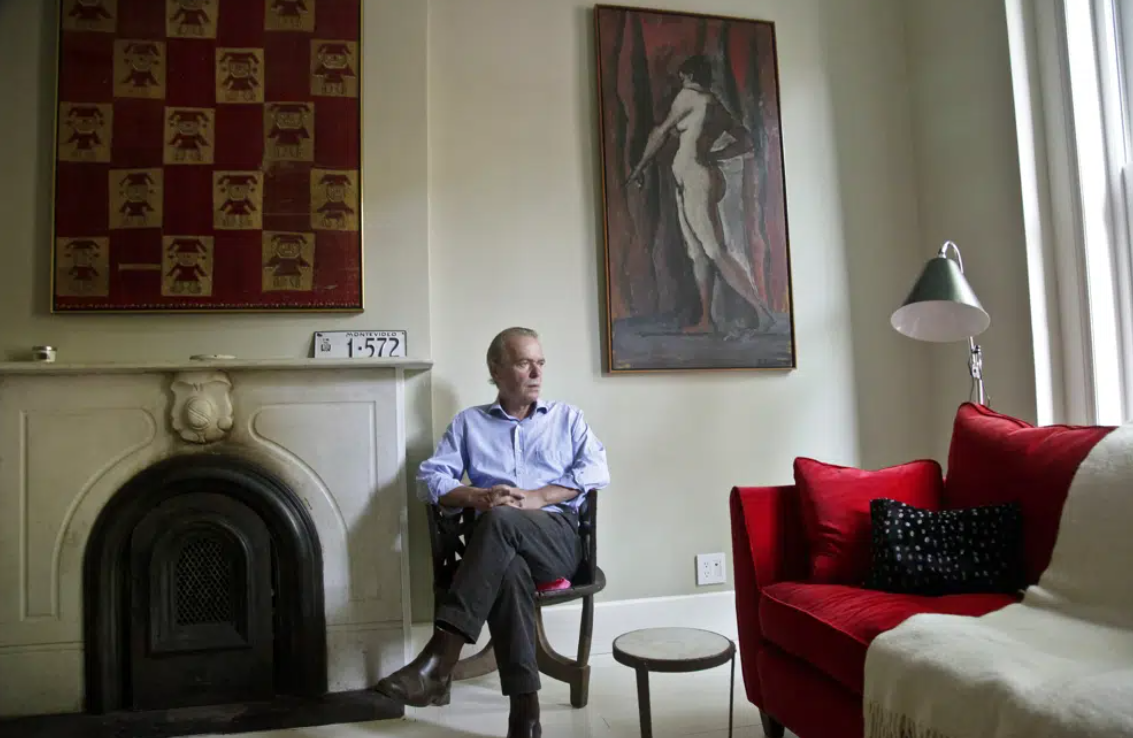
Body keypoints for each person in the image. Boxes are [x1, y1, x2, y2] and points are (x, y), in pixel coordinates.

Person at [373, 327, 610, 738]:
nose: (536, 372)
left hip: (556, 540)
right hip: (498, 549)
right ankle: (526, 714)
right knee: (509, 565)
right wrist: (479, 496)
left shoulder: (567, 419)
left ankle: (439, 661)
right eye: (523, 363)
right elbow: (429, 480)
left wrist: (539, 496)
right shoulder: (469, 424)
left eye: (540, 363)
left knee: (500, 523)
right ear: (496, 371)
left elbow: (596, 471)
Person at [627, 54, 775, 333]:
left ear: (690, 76)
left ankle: (762, 312)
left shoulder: (689, 96)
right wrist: (716, 154)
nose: (681, 80)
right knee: (697, 252)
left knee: (714, 249)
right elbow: (745, 140)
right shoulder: (713, 104)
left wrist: (639, 168)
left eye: (683, 75)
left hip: (695, 178)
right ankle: (707, 319)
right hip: (692, 177)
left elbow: (659, 133)